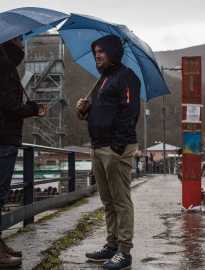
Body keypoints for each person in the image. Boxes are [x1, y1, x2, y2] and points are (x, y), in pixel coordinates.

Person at [76, 35, 141, 270]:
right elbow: (99, 113)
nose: (97, 55)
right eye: (95, 51)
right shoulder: (101, 80)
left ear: (113, 52)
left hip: (115, 149)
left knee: (121, 201)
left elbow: (129, 112)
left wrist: (118, 147)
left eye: (101, 51)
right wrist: (84, 110)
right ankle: (112, 246)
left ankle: (124, 252)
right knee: (108, 201)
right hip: (97, 146)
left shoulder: (126, 77)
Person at [0, 35, 39, 269]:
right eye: (21, 41)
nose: (23, 45)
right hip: (1, 137)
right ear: (11, 41)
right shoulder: (3, 66)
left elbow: (3, 102)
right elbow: (7, 105)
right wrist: (28, 109)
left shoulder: (0, 65)